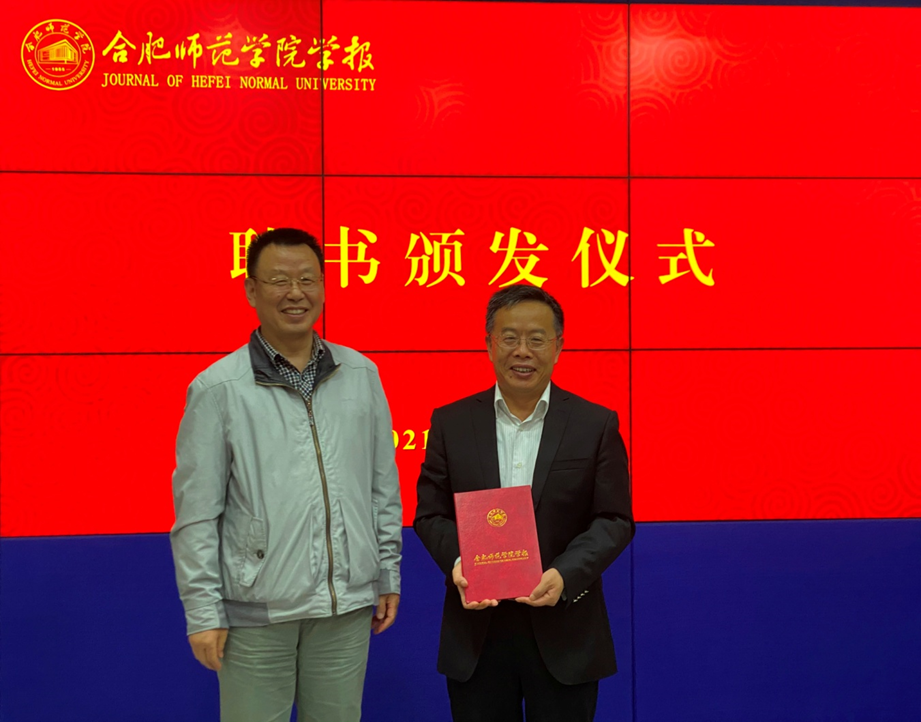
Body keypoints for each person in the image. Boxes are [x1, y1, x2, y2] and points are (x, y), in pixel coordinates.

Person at [170, 228, 402, 722]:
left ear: (323, 286)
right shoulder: (218, 389)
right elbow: (196, 515)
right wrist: (204, 611)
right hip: (257, 611)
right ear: (251, 290)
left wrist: (386, 572)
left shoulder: (361, 374)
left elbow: (382, 488)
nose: (295, 293)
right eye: (279, 280)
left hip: (345, 608)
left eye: (307, 279)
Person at [414, 285, 634, 722]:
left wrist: (565, 574)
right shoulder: (451, 422)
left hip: (565, 629)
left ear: (558, 347)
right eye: (510, 337)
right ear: (489, 344)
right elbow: (430, 513)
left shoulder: (594, 424)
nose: (523, 351)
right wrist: (460, 563)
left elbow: (614, 519)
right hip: (477, 634)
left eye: (537, 339)